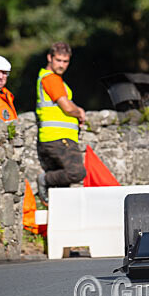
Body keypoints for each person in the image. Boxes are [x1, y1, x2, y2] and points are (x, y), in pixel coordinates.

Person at [35, 42, 86, 203]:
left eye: (65, 61)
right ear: (49, 58)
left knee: (62, 190)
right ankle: (45, 180)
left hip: (56, 138)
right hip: (58, 138)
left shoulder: (53, 79)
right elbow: (67, 107)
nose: (62, 65)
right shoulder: (51, 79)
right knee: (76, 172)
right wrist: (79, 113)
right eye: (58, 60)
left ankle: (55, 208)